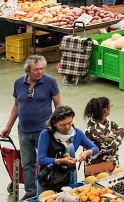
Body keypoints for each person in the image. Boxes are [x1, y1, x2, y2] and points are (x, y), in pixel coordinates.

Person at [2, 56, 62, 199]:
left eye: (41, 69)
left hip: (44, 131)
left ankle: (47, 189)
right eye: (36, 69)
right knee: (27, 163)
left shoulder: (50, 82)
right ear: (28, 70)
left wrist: (57, 126)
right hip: (23, 130)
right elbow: (16, 106)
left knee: (46, 162)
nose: (40, 72)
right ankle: (31, 192)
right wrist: (8, 126)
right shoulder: (18, 83)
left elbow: (58, 105)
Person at [35, 106, 97, 192]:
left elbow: (95, 148)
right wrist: (61, 160)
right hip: (48, 178)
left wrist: (87, 152)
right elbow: (41, 160)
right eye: (63, 125)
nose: (67, 127)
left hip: (67, 177)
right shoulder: (46, 134)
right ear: (54, 123)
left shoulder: (77, 133)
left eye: (70, 123)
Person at [82, 97, 123, 170]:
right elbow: (112, 145)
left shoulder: (107, 121)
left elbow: (121, 131)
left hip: (111, 162)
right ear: (105, 110)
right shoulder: (92, 130)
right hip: (97, 166)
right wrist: (113, 135)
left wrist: (110, 137)